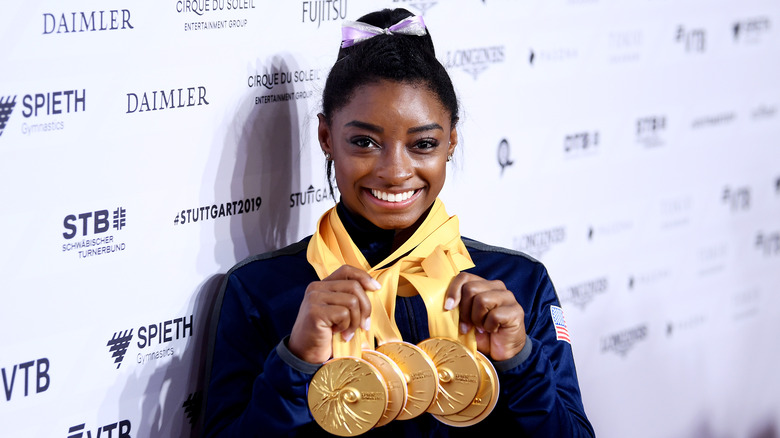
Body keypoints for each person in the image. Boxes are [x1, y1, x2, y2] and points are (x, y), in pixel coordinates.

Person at [203, 8, 594, 437]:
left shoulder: (518, 283)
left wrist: (519, 361)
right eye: (364, 142)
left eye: (422, 143)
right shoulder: (259, 289)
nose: (395, 171)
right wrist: (295, 363)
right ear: (326, 138)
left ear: (451, 141)